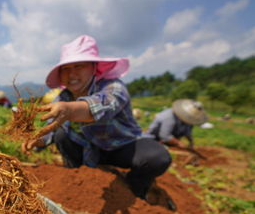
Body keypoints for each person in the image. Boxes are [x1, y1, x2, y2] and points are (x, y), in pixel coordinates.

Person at [22, 35, 172, 201]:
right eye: (66, 68)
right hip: (89, 150)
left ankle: (135, 188)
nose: (72, 73)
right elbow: (51, 127)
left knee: (157, 158)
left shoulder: (113, 86)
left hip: (122, 146)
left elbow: (102, 106)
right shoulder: (63, 97)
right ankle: (76, 177)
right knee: (60, 135)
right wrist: (38, 140)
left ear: (94, 67)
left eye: (79, 66)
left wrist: (69, 110)